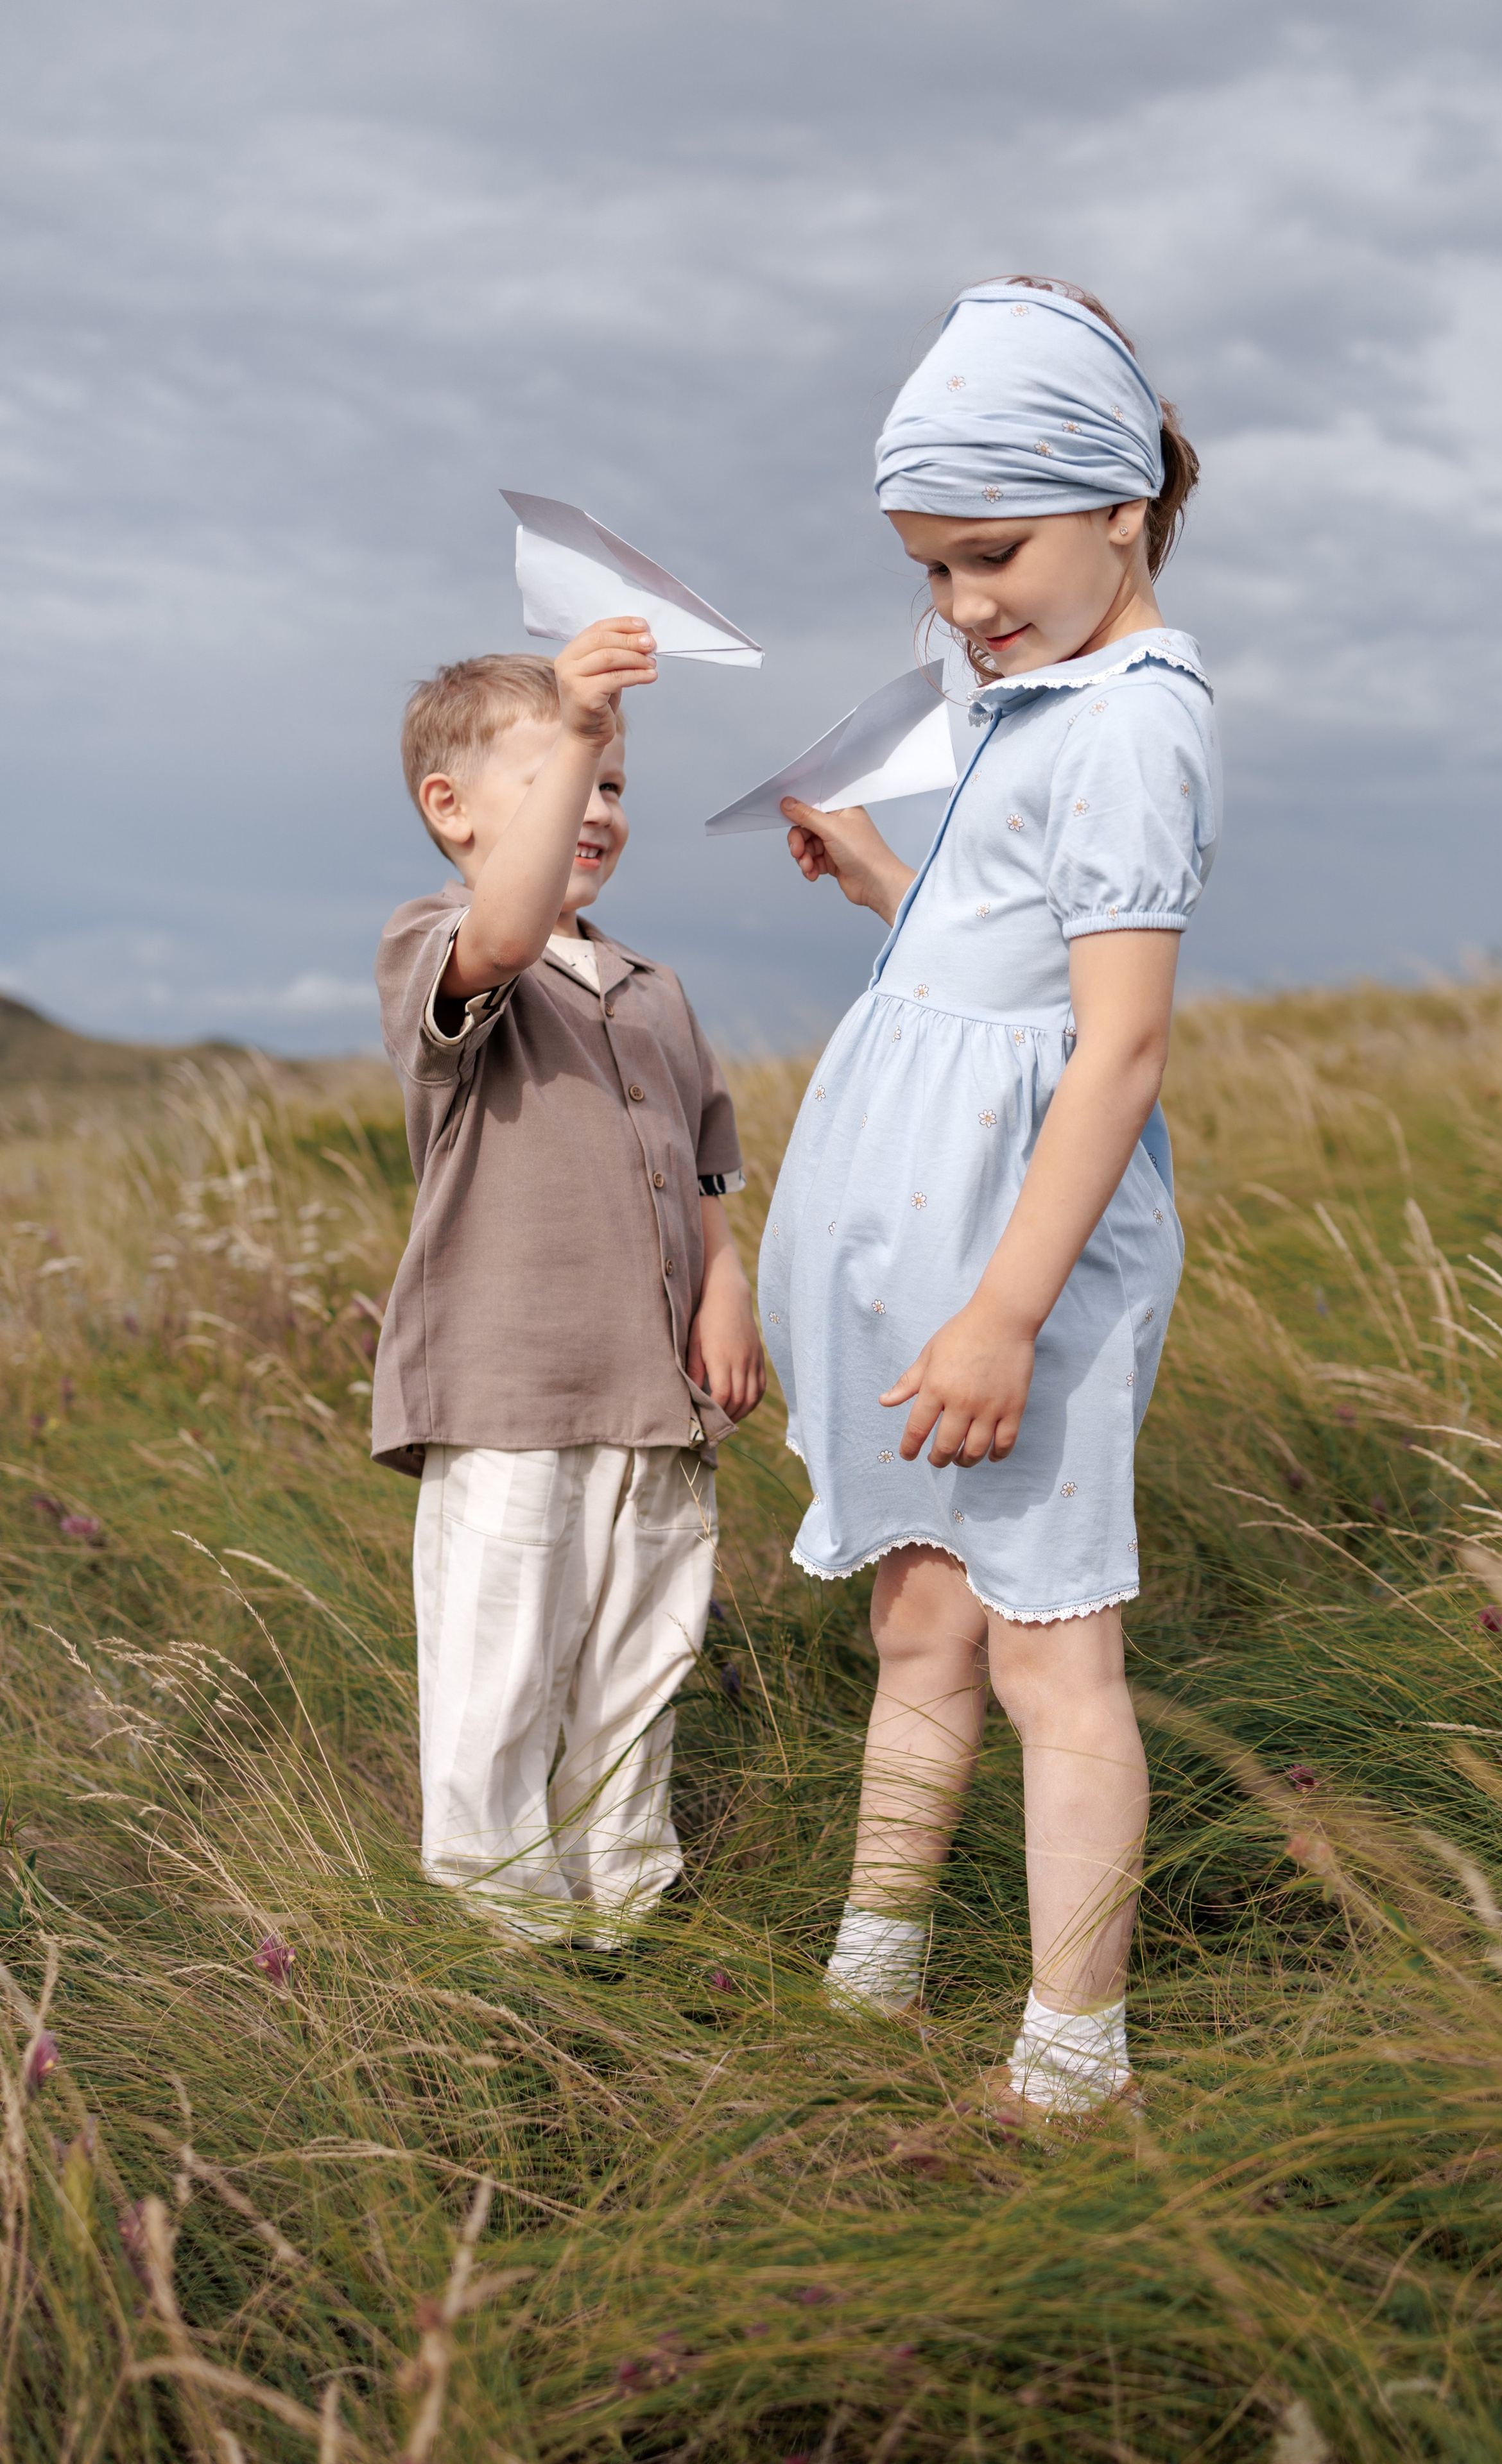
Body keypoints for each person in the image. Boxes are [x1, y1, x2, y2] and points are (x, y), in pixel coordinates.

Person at [760, 278, 1220, 2114]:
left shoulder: (1134, 722)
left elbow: (1115, 1049)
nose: (962, 605)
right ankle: (873, 1973)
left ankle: (1070, 2057)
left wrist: (1005, 1315)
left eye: (993, 554)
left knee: (1047, 1652)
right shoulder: (1039, 701)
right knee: (922, 1622)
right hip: (932, 1268)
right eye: (932, 571)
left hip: (1010, 1275)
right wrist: (886, 876)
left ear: (1120, 505)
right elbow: (998, 968)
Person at [371, 628, 764, 1942]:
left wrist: (725, 1287)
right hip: (510, 1393)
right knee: (502, 1677)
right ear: (453, 811)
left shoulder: (655, 989)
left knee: (640, 1665)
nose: (595, 805)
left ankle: (621, 1914)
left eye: (612, 784)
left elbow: (703, 1170)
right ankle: (505, 1939)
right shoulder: (439, 943)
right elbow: (505, 928)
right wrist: (585, 718)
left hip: (652, 1398)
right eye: (559, 781)